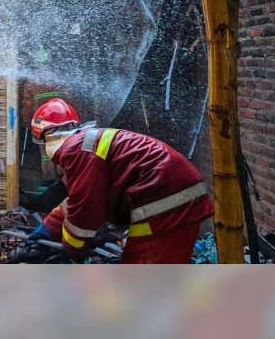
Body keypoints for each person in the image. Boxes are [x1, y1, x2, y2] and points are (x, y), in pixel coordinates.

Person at [27, 98, 213, 263]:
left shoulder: (76, 150)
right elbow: (79, 198)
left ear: (47, 137)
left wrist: (71, 247)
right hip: (171, 195)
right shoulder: (85, 144)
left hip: (164, 201)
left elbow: (86, 207)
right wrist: (49, 227)